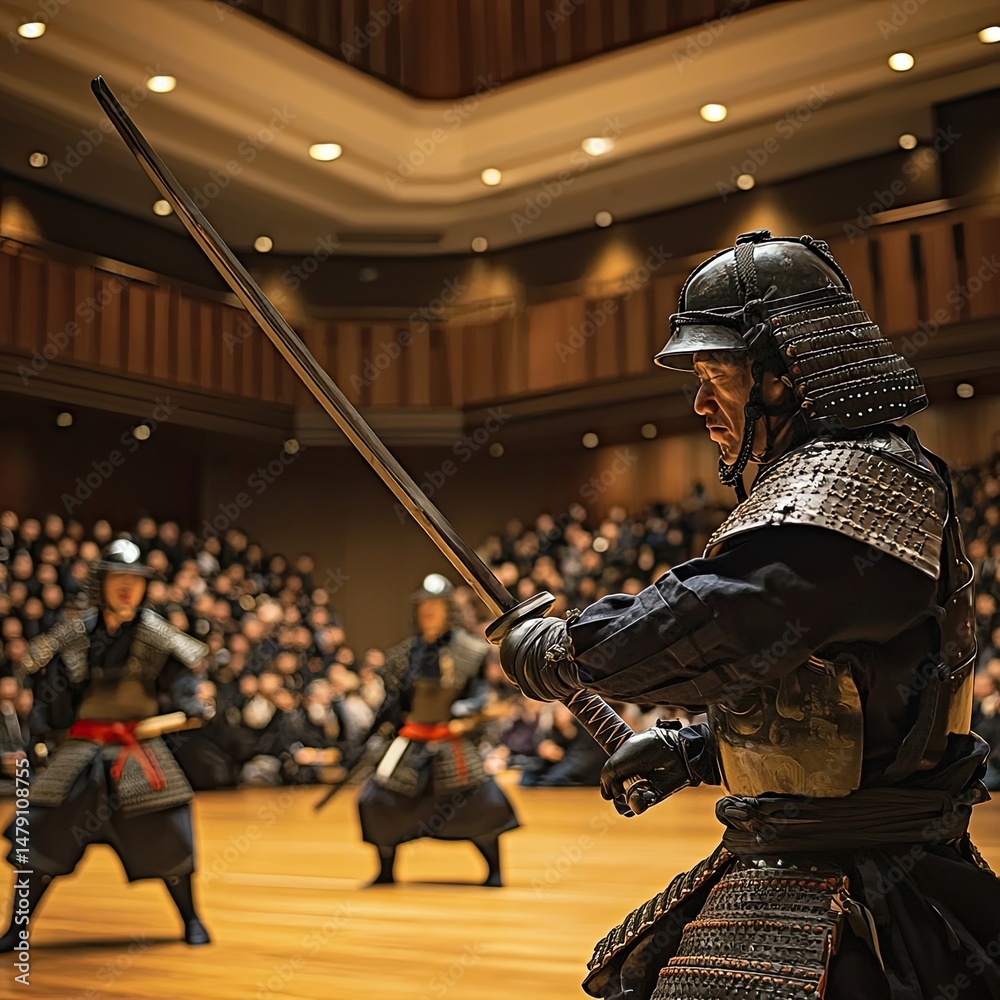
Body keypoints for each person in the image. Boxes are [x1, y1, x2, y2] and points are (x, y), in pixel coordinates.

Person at [497, 231, 1000, 999]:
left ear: (782, 372)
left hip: (863, 877)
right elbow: (848, 689)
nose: (699, 402)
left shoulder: (859, 482)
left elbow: (730, 616)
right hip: (805, 852)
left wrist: (570, 648)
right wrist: (695, 750)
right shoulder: (828, 485)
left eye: (714, 373)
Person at [0, 539, 212, 951]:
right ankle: (16, 929)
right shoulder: (74, 635)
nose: (127, 589)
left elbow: (181, 684)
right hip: (80, 748)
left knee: (171, 833)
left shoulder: (156, 634)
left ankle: (191, 918)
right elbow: (49, 696)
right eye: (119, 579)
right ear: (102, 584)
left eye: (135, 581)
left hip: (138, 747)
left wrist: (195, 702)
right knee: (38, 836)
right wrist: (41, 741)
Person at [357, 574, 519, 887]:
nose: (428, 611)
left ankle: (494, 870)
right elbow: (396, 703)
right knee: (376, 799)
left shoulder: (470, 650)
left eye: (435, 605)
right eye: (423, 606)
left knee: (482, 801)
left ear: (448, 609)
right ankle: (386, 870)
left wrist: (464, 713)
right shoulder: (404, 654)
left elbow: (479, 697)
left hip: (452, 740)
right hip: (413, 740)